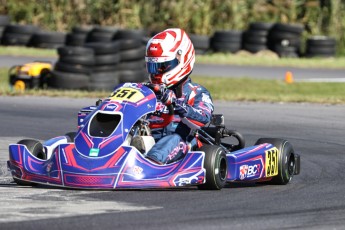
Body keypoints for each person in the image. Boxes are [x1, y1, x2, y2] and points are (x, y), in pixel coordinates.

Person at [143, 28, 214, 164]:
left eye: (162, 67)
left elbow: (203, 118)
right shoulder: (146, 91)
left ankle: (150, 165)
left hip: (184, 143)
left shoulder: (197, 92)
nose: (156, 72)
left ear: (182, 59)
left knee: (173, 140)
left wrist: (177, 104)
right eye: (153, 67)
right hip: (148, 140)